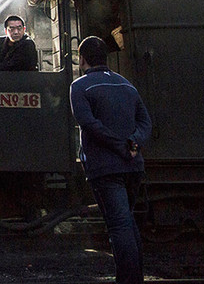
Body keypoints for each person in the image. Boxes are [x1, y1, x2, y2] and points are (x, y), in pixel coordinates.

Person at [70, 36, 152, 284]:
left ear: (81, 58)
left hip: (105, 168)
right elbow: (145, 122)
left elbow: (88, 123)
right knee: (127, 222)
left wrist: (119, 146)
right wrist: (133, 143)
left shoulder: (80, 86)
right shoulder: (127, 85)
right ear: (105, 57)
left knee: (118, 226)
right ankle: (135, 277)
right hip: (133, 165)